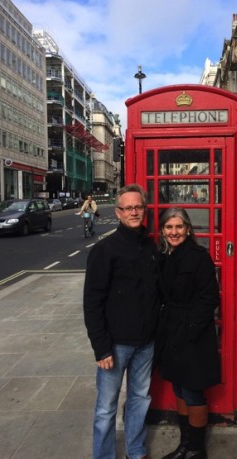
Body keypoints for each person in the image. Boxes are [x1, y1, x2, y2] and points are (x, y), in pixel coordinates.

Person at [83, 184, 161, 459]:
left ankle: (135, 451)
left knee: (140, 399)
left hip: (146, 342)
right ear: (118, 213)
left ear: (144, 210)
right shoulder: (105, 250)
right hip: (115, 344)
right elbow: (92, 302)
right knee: (106, 407)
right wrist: (101, 347)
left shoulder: (150, 245)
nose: (134, 212)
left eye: (138, 207)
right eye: (128, 208)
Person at [156, 207, 221, 459]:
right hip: (171, 333)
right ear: (162, 230)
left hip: (193, 336)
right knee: (180, 389)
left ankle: (196, 449)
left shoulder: (199, 257)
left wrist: (190, 328)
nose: (174, 232)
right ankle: (185, 445)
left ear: (188, 229)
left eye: (179, 227)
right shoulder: (165, 256)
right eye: (169, 227)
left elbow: (209, 298)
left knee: (193, 392)